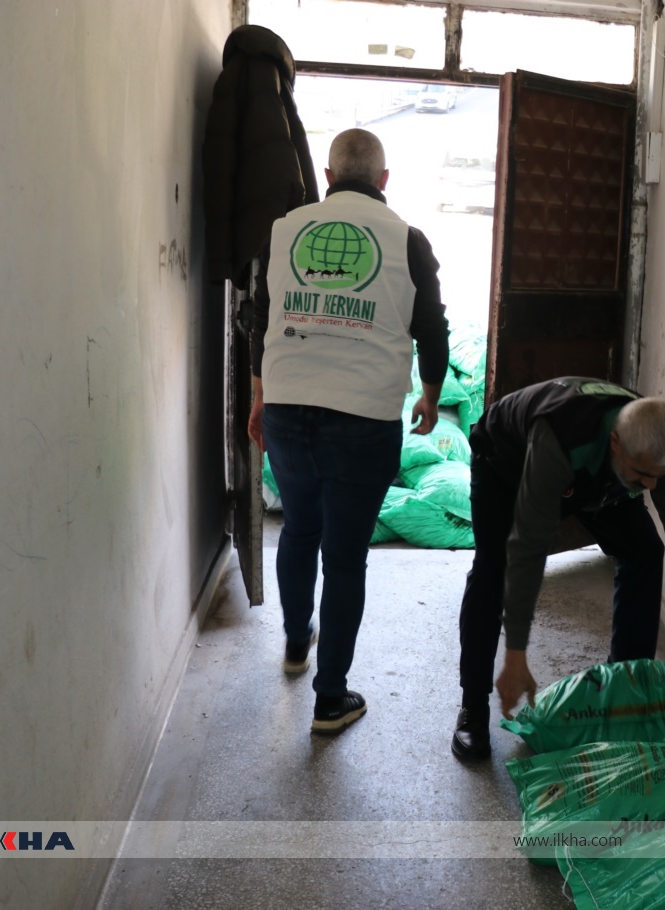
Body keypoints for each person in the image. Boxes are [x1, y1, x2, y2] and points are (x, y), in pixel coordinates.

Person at [248, 128, 449, 734]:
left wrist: (260, 397)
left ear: (330, 177)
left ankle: (295, 642)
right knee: (344, 558)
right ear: (383, 180)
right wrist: (430, 394)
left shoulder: (284, 230)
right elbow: (432, 328)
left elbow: (262, 318)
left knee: (299, 527)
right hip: (363, 418)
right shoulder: (407, 240)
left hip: (288, 409)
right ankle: (329, 699)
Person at [452, 377, 665, 761]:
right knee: (493, 569)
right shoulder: (560, 439)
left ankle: (624, 693)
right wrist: (515, 655)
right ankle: (473, 707)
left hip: (596, 474)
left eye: (658, 476)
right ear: (617, 443)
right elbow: (528, 550)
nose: (651, 485)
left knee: (644, 551)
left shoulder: (655, 453)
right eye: (643, 475)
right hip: (508, 462)